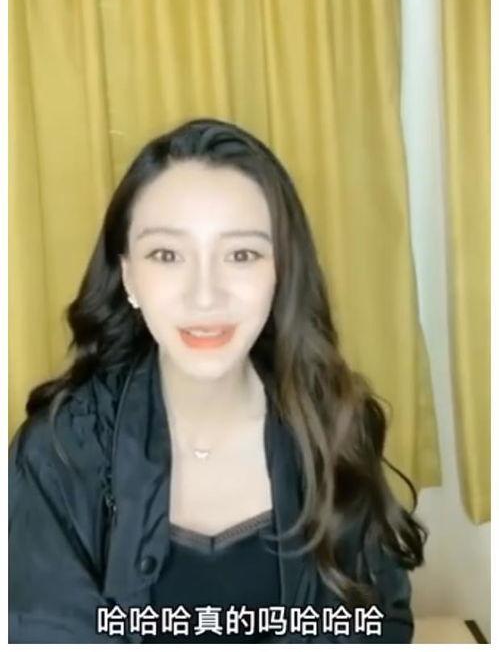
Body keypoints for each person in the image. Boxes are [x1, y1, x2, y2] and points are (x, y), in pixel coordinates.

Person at [9, 117, 427, 643]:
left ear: (280, 272)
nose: (205, 296)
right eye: (167, 255)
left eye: (241, 255)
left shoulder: (335, 424)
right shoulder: (61, 450)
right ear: (129, 276)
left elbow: (378, 622)